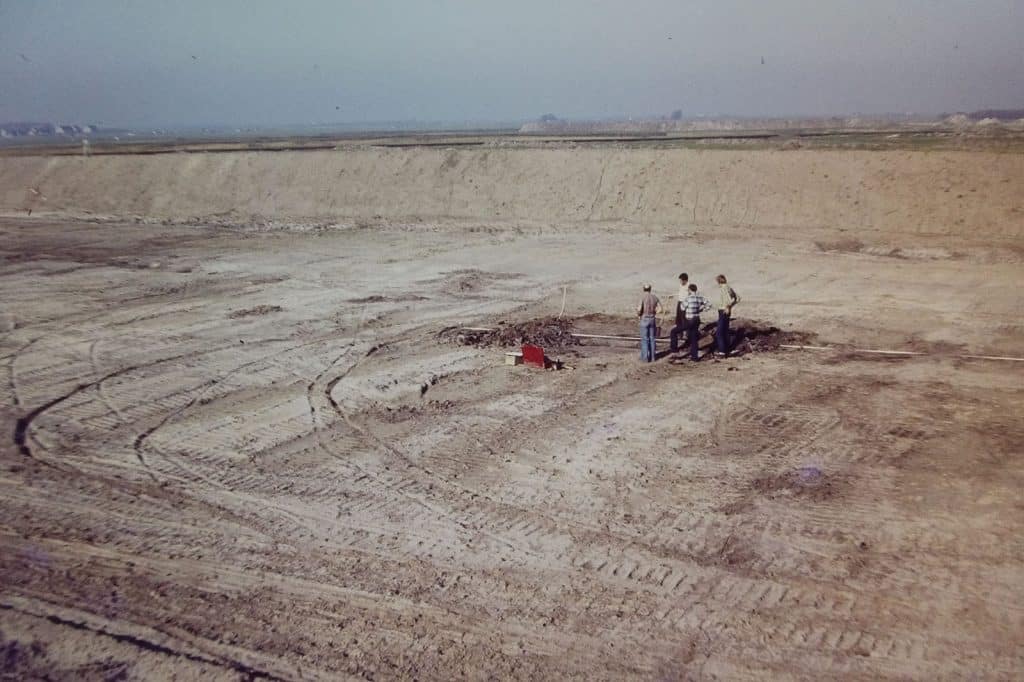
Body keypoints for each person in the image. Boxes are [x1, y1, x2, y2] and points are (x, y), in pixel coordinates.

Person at [680, 283, 713, 361]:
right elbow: (709, 304)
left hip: (689, 319)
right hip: (697, 319)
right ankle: (694, 356)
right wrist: (702, 309)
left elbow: (682, 308)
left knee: (687, 335)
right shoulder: (700, 297)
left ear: (690, 290)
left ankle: (687, 352)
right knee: (694, 337)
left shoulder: (688, 298)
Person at [714, 274, 740, 357]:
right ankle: (729, 350)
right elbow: (737, 298)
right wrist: (730, 306)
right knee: (725, 331)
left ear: (719, 281)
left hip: (723, 310)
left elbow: (731, 299)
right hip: (726, 310)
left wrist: (728, 307)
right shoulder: (728, 287)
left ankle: (722, 351)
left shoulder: (724, 287)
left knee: (719, 332)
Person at [636, 283, 662, 362]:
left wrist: (638, 314)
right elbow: (660, 309)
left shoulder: (642, 297)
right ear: (650, 289)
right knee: (652, 338)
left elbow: (639, 309)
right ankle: (653, 357)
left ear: (644, 289)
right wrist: (655, 312)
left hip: (644, 318)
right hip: (652, 319)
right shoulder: (654, 297)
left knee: (644, 339)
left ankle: (645, 358)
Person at [669, 273, 689, 352]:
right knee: (678, 319)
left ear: (685, 280)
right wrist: (672, 295)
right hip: (679, 302)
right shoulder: (681, 286)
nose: (680, 282)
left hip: (685, 303)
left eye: (681, 280)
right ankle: (679, 334)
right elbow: (680, 293)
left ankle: (686, 334)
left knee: (684, 319)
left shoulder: (689, 286)